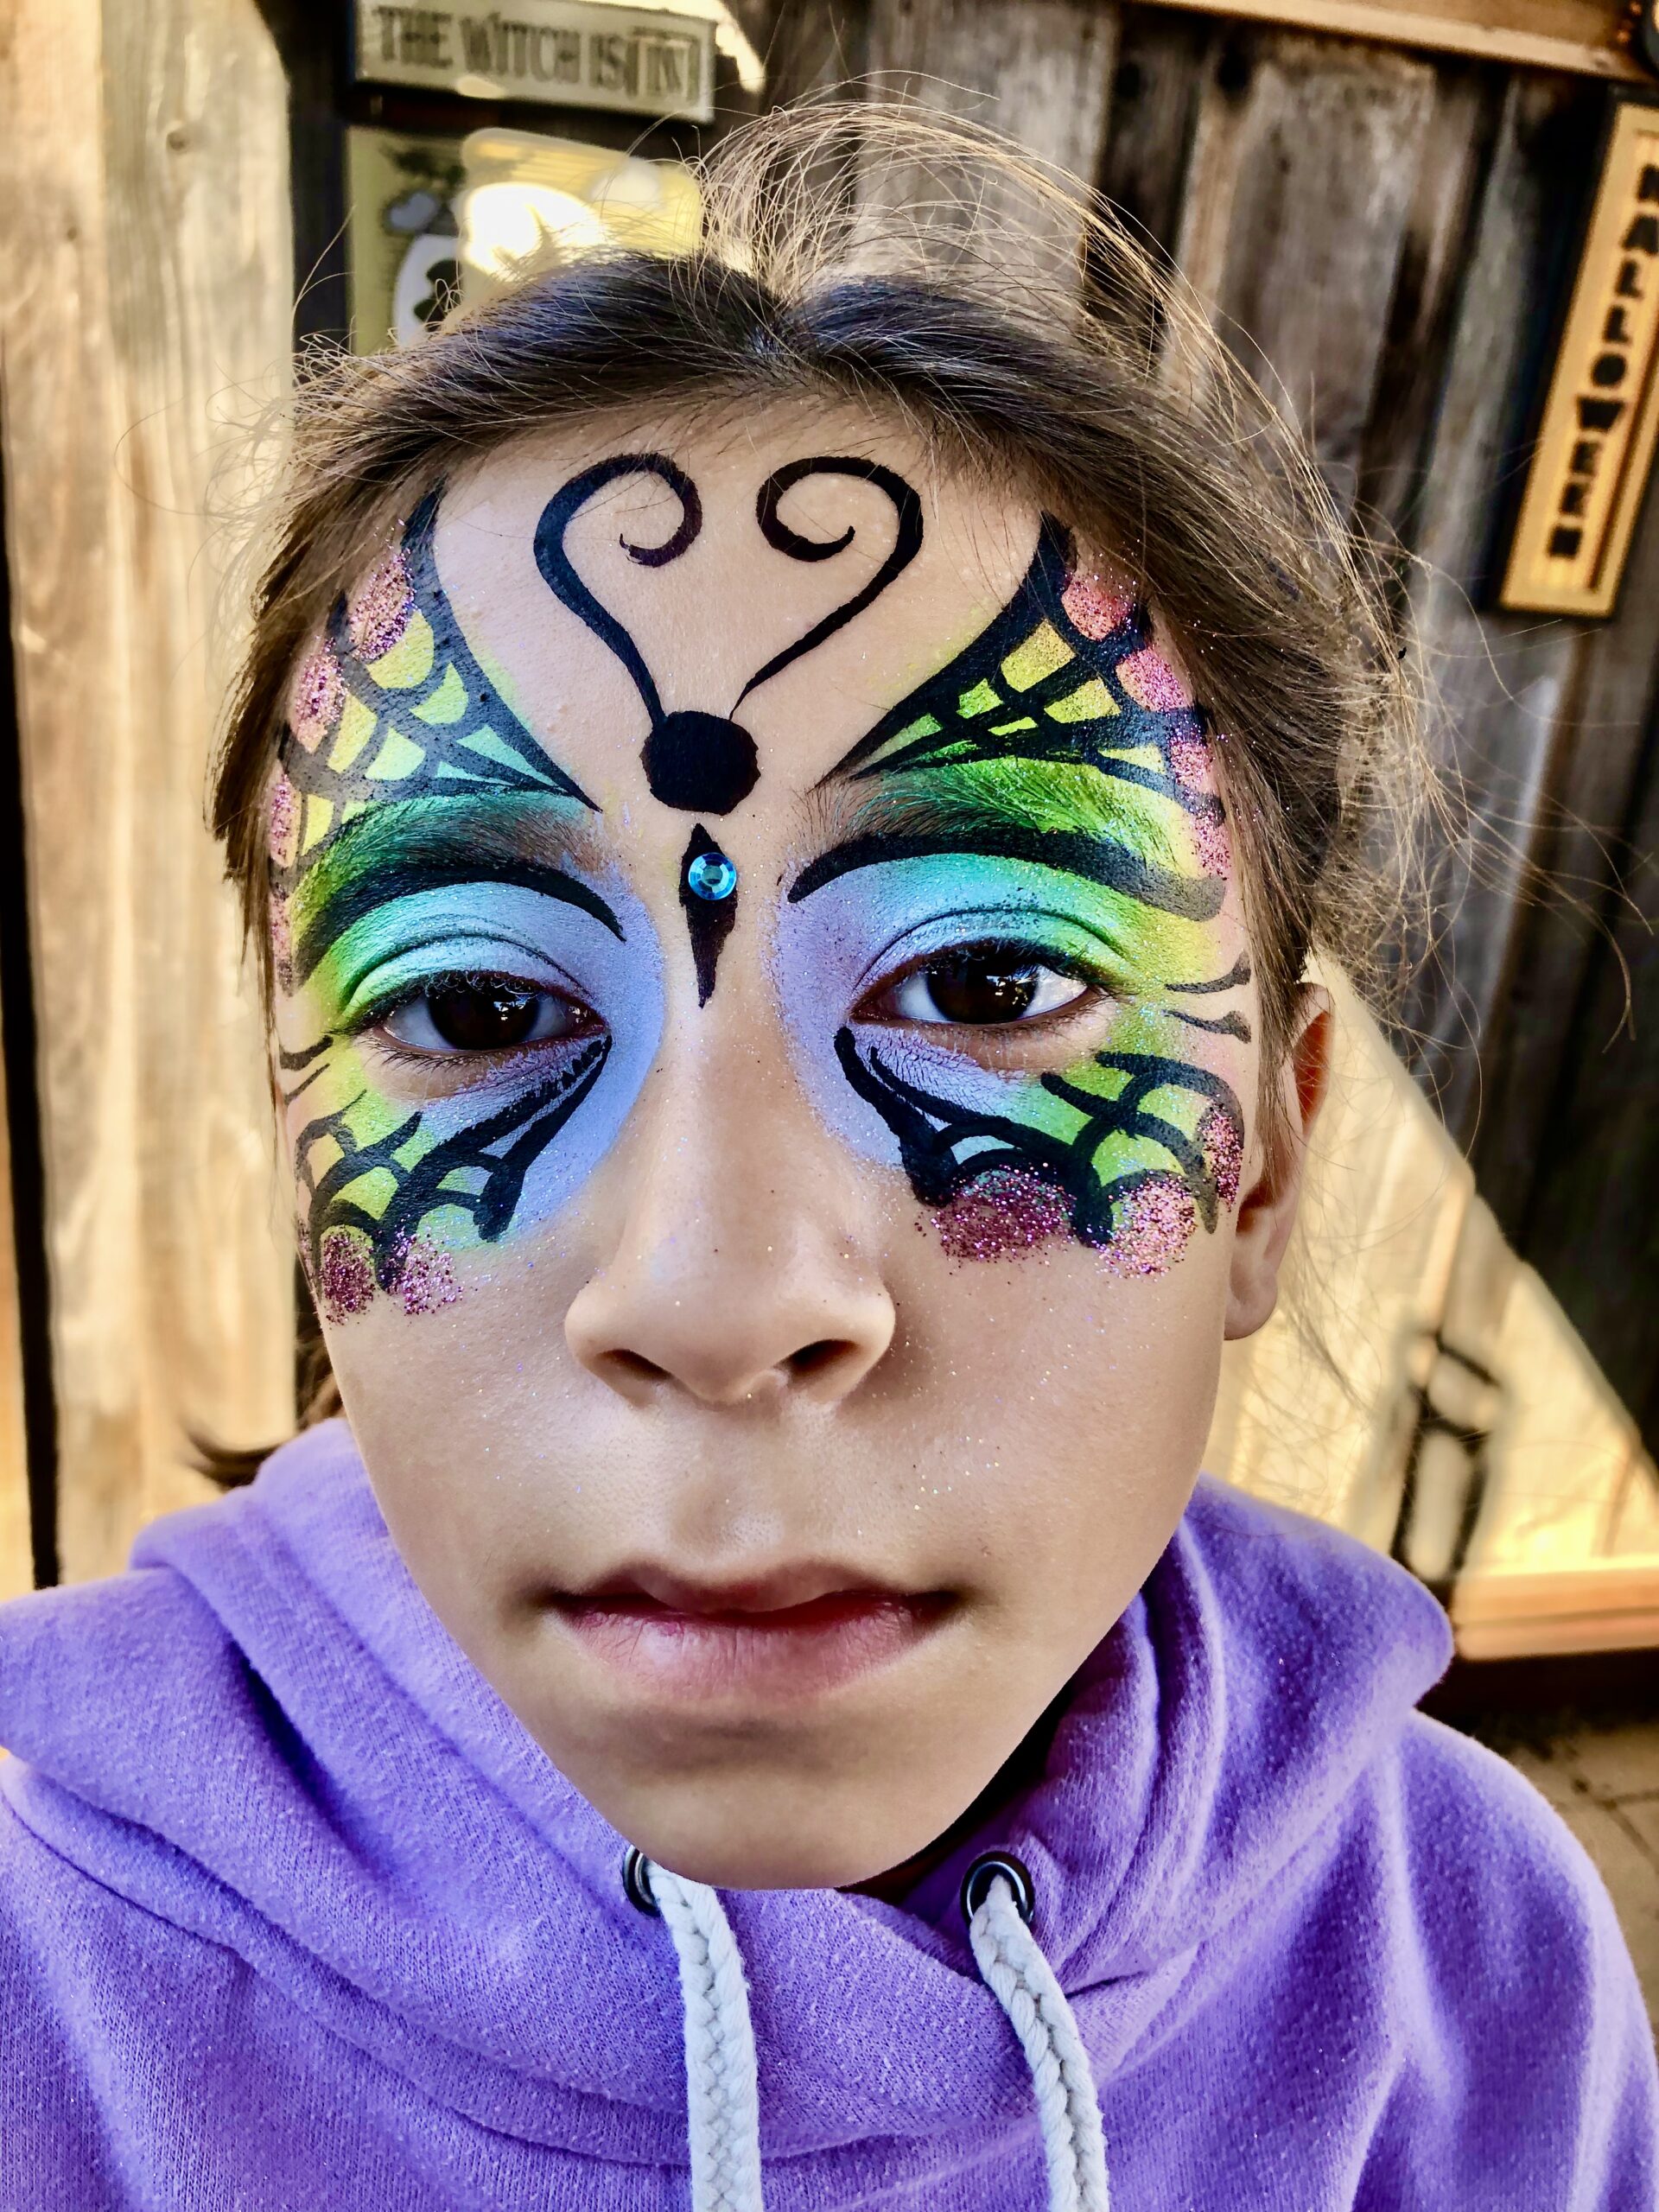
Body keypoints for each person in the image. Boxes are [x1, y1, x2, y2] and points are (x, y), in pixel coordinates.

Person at [1, 105, 1652, 2211]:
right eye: (482, 1009)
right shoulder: (42, 2022)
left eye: (983, 972)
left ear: (1264, 1164)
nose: (722, 1294)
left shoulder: (1474, 1969)